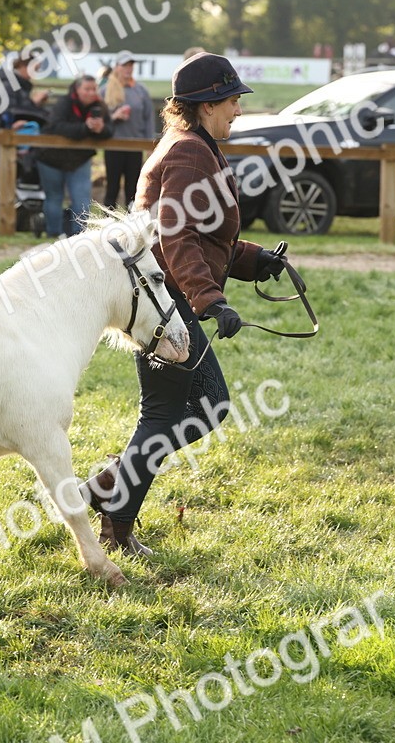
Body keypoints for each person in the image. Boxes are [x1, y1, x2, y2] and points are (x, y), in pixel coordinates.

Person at [78, 53, 293, 555]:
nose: (238, 110)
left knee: (174, 410)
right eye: (233, 101)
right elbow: (173, 235)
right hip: (164, 303)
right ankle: (114, 501)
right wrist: (210, 300)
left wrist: (253, 260)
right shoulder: (191, 152)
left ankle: (114, 499)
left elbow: (201, 235)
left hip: (164, 295)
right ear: (206, 104)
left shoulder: (193, 147)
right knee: (191, 408)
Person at [34, 75, 113, 238]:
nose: (91, 93)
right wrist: (85, 128)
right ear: (77, 89)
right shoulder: (64, 103)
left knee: (82, 199)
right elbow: (57, 126)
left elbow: (110, 130)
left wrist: (101, 129)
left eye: (93, 89)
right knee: (54, 197)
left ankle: (80, 237)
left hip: (79, 160)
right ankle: (53, 235)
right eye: (87, 89)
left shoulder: (99, 106)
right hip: (51, 158)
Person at [103, 51, 156, 209]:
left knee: (133, 188)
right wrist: (114, 116)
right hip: (113, 144)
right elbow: (100, 118)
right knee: (112, 187)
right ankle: (107, 224)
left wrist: (149, 145)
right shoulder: (105, 89)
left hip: (135, 145)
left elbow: (149, 119)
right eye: (125, 65)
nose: (128, 68)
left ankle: (131, 225)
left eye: (131, 65)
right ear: (116, 67)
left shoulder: (141, 90)